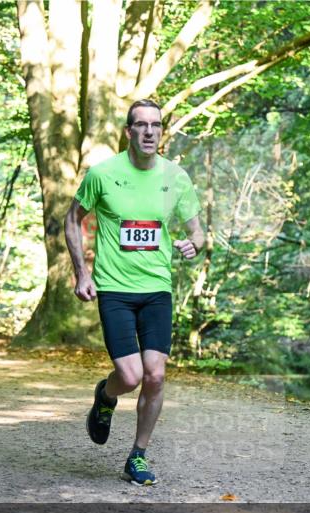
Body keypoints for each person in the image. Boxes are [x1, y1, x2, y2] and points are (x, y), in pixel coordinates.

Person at [64, 99, 205, 486]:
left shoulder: (175, 178)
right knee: (130, 376)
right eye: (140, 125)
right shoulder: (103, 174)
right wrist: (81, 272)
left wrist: (195, 243)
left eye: (155, 125)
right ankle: (106, 396)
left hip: (157, 288)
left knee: (155, 376)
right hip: (115, 289)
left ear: (162, 132)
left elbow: (197, 231)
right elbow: (72, 219)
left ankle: (137, 456)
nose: (148, 131)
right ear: (128, 132)